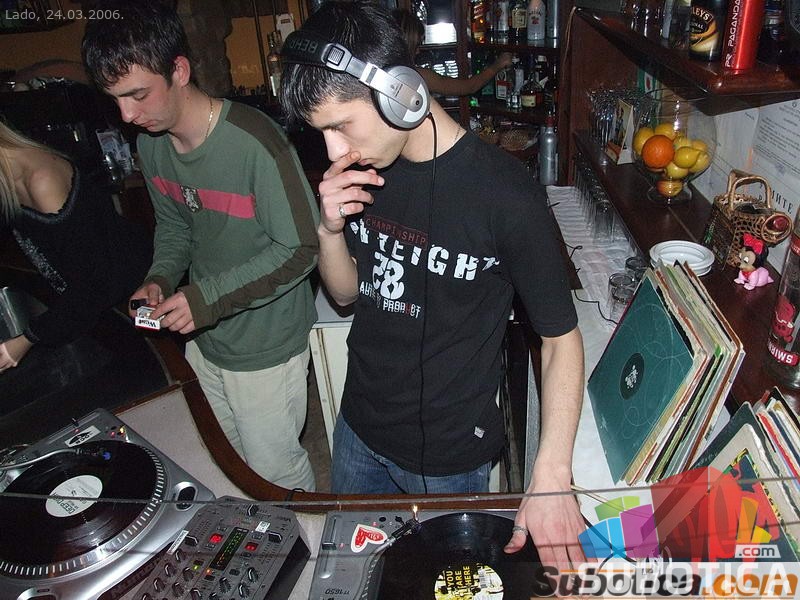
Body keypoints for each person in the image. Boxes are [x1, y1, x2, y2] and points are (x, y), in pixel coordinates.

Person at [280, 0, 586, 569]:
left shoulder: (507, 195)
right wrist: (329, 229)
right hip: (357, 426)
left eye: (340, 126)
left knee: (445, 583)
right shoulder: (360, 172)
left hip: (449, 455)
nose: (334, 152)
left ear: (400, 94)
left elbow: (560, 338)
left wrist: (552, 473)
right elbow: (346, 295)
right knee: (349, 573)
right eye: (322, 133)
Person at [82, 0, 321, 492]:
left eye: (138, 95)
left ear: (179, 71)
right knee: (223, 463)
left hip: (266, 344)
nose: (127, 115)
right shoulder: (151, 144)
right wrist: (160, 277)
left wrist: (207, 297)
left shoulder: (255, 142)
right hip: (205, 337)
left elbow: (301, 248)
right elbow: (175, 228)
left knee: (275, 475)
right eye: (116, 99)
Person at [0, 120, 151, 371]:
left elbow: (93, 284)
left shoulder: (42, 181)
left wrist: (26, 340)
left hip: (137, 298)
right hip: (102, 304)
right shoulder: (10, 179)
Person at [392, 8, 513, 97]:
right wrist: (498, 64)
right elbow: (468, 87)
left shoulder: (383, 72)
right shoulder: (414, 75)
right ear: (406, 44)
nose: (418, 51)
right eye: (416, 45)